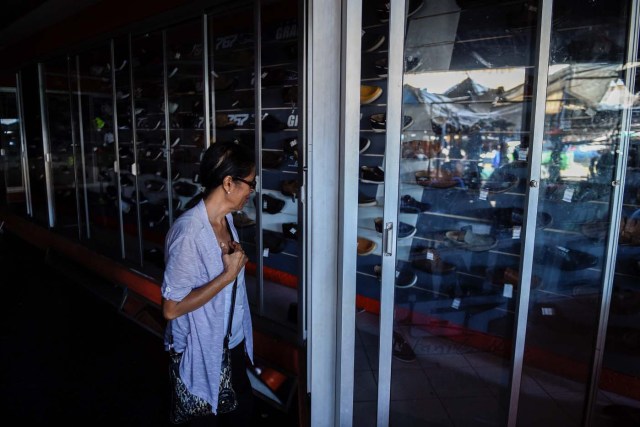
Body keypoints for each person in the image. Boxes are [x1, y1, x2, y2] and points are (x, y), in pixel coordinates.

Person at [161, 141, 256, 426]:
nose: (252, 190)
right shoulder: (189, 232)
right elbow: (171, 309)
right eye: (250, 183)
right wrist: (227, 276)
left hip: (228, 343)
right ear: (229, 183)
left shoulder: (225, 220)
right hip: (200, 350)